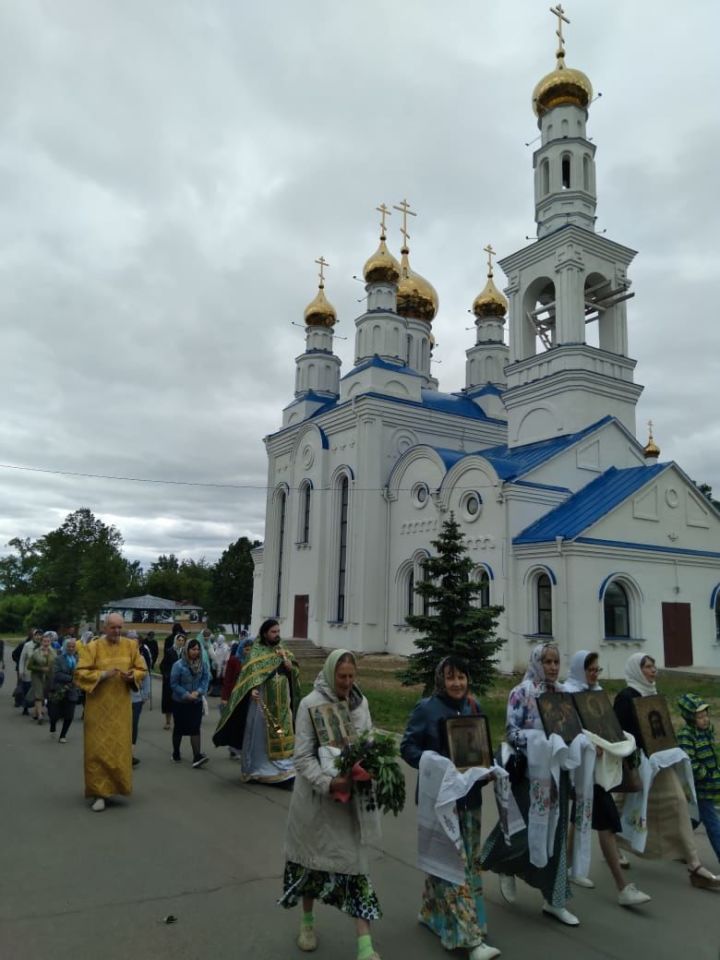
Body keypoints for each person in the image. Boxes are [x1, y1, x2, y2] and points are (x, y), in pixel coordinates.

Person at [280, 649, 382, 960]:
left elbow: (369, 739)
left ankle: (365, 944)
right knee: (311, 865)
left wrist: (371, 764)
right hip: (317, 804)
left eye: (352, 677)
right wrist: (329, 782)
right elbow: (302, 757)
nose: (347, 683)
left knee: (356, 869)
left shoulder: (360, 703)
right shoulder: (311, 704)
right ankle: (307, 923)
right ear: (329, 674)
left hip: (350, 805)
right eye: (342, 677)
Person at [401, 655, 500, 960]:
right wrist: (435, 763)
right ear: (440, 680)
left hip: (469, 799)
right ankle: (468, 938)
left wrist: (489, 767)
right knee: (455, 863)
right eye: (450, 677)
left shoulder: (473, 707)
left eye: (462, 677)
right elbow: (408, 747)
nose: (457, 683)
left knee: (465, 860)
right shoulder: (427, 709)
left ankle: (432, 913)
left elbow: (483, 747)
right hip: (440, 802)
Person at [481, 643, 579, 926]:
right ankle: (504, 865)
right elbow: (512, 733)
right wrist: (540, 741)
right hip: (529, 773)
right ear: (536, 662)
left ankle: (554, 899)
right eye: (546, 661)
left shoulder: (563, 694)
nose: (552, 666)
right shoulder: (521, 693)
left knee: (556, 834)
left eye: (556, 661)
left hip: (557, 772)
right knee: (522, 827)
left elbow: (571, 728)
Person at [613, 653, 720, 889]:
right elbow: (619, 732)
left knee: (678, 802)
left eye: (653, 666)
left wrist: (668, 748)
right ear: (635, 670)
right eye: (647, 667)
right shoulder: (625, 697)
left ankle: (694, 865)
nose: (653, 671)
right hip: (637, 763)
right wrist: (635, 753)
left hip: (660, 762)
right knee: (623, 807)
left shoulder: (654, 695)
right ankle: (612, 847)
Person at [564, 650, 651, 906]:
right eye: (590, 669)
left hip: (599, 768)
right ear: (580, 670)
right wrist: (589, 743)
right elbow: (569, 728)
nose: (594, 674)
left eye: (597, 669)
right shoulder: (569, 693)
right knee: (608, 823)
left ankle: (569, 868)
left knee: (578, 816)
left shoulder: (596, 692)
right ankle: (623, 887)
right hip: (582, 769)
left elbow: (604, 723)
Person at [73, 613, 147, 812]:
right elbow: (79, 674)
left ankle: (116, 788)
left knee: (118, 750)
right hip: (98, 710)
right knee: (97, 750)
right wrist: (103, 674)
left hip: (121, 710)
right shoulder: (92, 648)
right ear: (104, 628)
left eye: (119, 627)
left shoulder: (131, 646)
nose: (117, 631)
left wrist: (133, 676)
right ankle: (99, 794)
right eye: (113, 627)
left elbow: (141, 668)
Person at [213, 618, 300, 784]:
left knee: (282, 733)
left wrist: (291, 669)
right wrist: (251, 690)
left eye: (278, 632)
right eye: (273, 632)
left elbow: (294, 673)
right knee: (260, 737)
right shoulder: (256, 652)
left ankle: (283, 767)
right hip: (262, 702)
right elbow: (247, 679)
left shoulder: (283, 650)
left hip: (282, 703)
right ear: (265, 633)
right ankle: (257, 769)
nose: (276, 635)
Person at [677, 694, 720, 863]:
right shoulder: (686, 735)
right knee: (713, 825)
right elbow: (690, 763)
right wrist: (707, 776)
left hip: (712, 784)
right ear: (690, 717)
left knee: (694, 820)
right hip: (700, 787)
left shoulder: (707, 731)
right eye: (700, 717)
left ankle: (679, 847)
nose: (705, 720)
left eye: (705, 715)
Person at [170, 637, 210, 767]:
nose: (195, 652)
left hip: (196, 702)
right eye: (193, 649)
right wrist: (186, 694)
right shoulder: (178, 665)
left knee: (195, 728)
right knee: (179, 728)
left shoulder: (203, 664)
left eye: (198, 649)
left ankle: (196, 756)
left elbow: (205, 680)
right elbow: (174, 684)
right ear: (187, 650)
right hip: (180, 702)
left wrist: (198, 692)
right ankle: (176, 753)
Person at [48, 637, 81, 743]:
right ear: (65, 647)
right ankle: (53, 726)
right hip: (59, 690)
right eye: (69, 646)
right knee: (54, 715)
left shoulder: (78, 659)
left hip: (72, 690)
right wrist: (72, 678)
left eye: (73, 646)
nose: (71, 648)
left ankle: (63, 735)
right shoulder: (58, 659)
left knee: (69, 715)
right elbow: (57, 674)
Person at [129, 631, 152, 767]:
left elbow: (146, 676)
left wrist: (145, 694)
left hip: (136, 698)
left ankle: (130, 755)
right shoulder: (119, 657)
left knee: (133, 726)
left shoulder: (141, 658)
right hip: (120, 699)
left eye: (135, 641)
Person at [27, 631, 57, 723]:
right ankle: (40, 716)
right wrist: (40, 668)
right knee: (38, 695)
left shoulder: (53, 652)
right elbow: (29, 666)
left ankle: (36, 712)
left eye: (48, 641)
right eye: (44, 641)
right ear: (41, 642)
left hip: (49, 676)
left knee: (45, 694)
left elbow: (56, 664)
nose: (46, 643)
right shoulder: (36, 652)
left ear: (50, 642)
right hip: (37, 676)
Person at [160, 632, 186, 730]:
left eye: (182, 640)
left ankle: (179, 722)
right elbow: (162, 666)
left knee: (181, 701)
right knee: (169, 701)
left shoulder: (185, 652)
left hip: (182, 681)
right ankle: (168, 722)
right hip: (170, 681)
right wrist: (167, 675)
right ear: (176, 640)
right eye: (179, 640)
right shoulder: (169, 651)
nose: (180, 642)